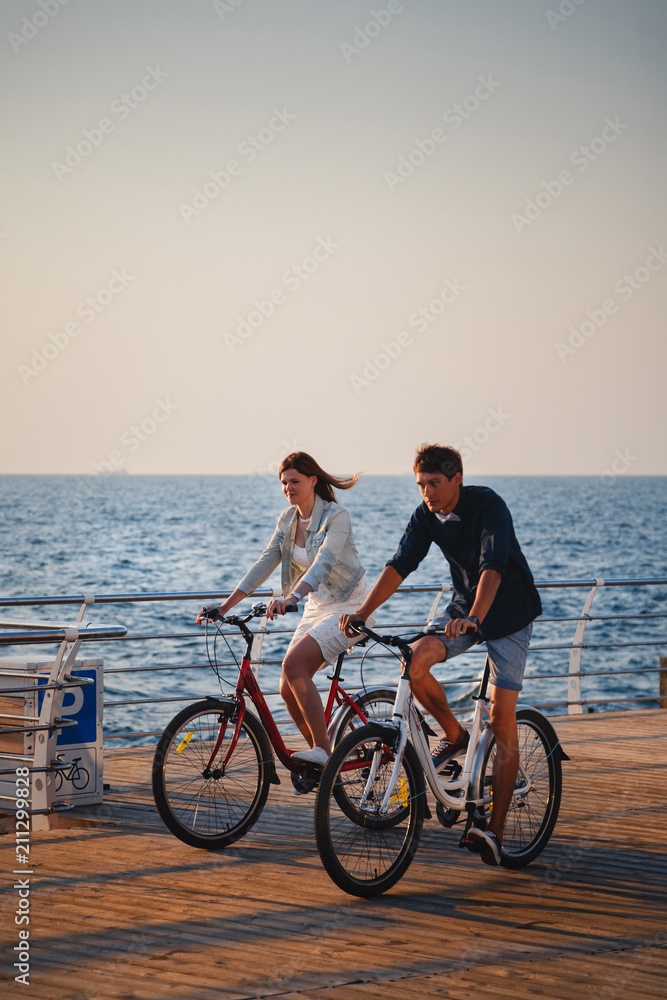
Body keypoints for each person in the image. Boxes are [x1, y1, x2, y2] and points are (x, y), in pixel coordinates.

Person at [340, 444, 542, 866]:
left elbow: (493, 565)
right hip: (463, 609)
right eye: (420, 484)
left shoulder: (489, 506)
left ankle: (494, 831)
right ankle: (454, 734)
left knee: (502, 719)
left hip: (508, 613)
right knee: (415, 659)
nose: (427, 492)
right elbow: (400, 564)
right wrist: (363, 613)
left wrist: (474, 618)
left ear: (457, 479)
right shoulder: (425, 515)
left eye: (434, 483)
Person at [197, 452, 373, 769]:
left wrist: (292, 597)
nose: (288, 488)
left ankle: (321, 750)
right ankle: (324, 762)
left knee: (293, 665)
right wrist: (223, 606)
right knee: (285, 686)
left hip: (351, 607)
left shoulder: (337, 516)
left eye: (294, 481)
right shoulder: (288, 521)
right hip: (317, 606)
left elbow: (325, 563)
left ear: (312, 481)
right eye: (283, 483)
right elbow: (265, 562)